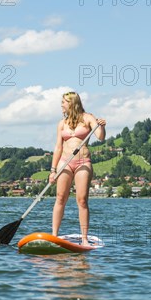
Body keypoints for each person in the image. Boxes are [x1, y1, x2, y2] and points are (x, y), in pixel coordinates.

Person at [48, 91, 106, 245]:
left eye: (63, 102)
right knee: (60, 198)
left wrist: (101, 126)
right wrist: (53, 170)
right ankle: (54, 235)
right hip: (64, 162)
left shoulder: (88, 118)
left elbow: (100, 137)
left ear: (72, 103)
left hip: (83, 163)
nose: (61, 105)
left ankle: (85, 239)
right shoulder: (62, 123)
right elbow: (58, 147)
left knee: (81, 200)